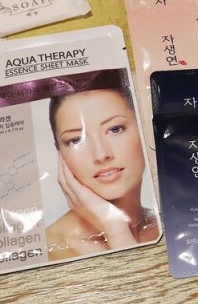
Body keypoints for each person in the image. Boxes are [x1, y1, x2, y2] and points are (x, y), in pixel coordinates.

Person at [45, 84, 158, 261]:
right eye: (75, 140)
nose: (101, 155)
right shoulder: (47, 249)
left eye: (115, 129)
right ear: (59, 152)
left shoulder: (172, 224)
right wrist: (114, 227)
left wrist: (118, 232)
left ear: (143, 129)